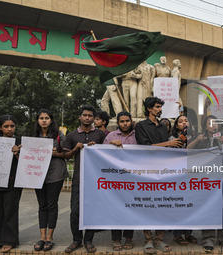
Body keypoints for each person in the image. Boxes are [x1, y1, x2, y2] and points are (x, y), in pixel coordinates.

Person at [135, 97, 183, 254]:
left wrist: (175, 144)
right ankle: (148, 240)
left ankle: (159, 240)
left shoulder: (163, 126)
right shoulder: (141, 126)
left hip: (164, 171)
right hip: (147, 171)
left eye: (160, 107)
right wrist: (169, 144)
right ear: (149, 109)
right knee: (147, 206)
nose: (159, 109)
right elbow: (145, 147)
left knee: (164, 205)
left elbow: (167, 148)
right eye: (157, 107)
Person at [63, 105, 106, 253]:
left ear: (94, 118)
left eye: (90, 116)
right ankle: (76, 240)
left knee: (92, 211)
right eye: (85, 115)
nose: (87, 118)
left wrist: (96, 148)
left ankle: (88, 240)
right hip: (78, 180)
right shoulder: (72, 135)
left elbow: (108, 153)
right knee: (75, 211)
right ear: (80, 117)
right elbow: (66, 156)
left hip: (95, 181)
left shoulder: (100, 134)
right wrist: (76, 148)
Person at [192, 115, 223, 253]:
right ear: (205, 126)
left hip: (222, 177)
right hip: (206, 180)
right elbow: (186, 150)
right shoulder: (200, 138)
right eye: (210, 123)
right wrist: (197, 140)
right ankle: (208, 239)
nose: (213, 125)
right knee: (208, 208)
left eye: (216, 123)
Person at [33, 109, 69, 251]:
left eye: (46, 118)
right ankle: (42, 237)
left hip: (55, 173)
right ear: (37, 120)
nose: (44, 120)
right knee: (42, 205)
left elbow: (67, 154)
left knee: (52, 204)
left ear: (51, 120)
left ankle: (50, 237)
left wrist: (57, 153)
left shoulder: (59, 135)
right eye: (41, 118)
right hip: (37, 173)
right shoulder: (33, 136)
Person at [103, 111, 136, 250]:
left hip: (133, 179)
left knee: (131, 208)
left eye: (127, 121)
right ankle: (116, 239)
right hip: (116, 180)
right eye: (122, 121)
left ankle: (128, 238)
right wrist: (110, 144)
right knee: (116, 209)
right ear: (118, 123)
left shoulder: (137, 135)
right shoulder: (111, 136)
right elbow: (101, 154)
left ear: (131, 121)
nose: (125, 123)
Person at [168, 115, 198, 245]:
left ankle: (188, 233)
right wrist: (194, 140)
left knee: (189, 205)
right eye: (180, 122)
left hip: (191, 173)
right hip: (177, 174)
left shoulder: (195, 136)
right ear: (176, 126)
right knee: (179, 205)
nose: (184, 123)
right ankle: (177, 234)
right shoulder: (172, 139)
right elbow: (184, 151)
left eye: (186, 120)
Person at [0, 115, 22, 253]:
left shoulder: (20, 141)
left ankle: (9, 240)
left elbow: (26, 163)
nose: (9, 129)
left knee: (10, 211)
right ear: (0, 127)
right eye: (6, 126)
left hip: (13, 182)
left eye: (12, 126)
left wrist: (18, 153)